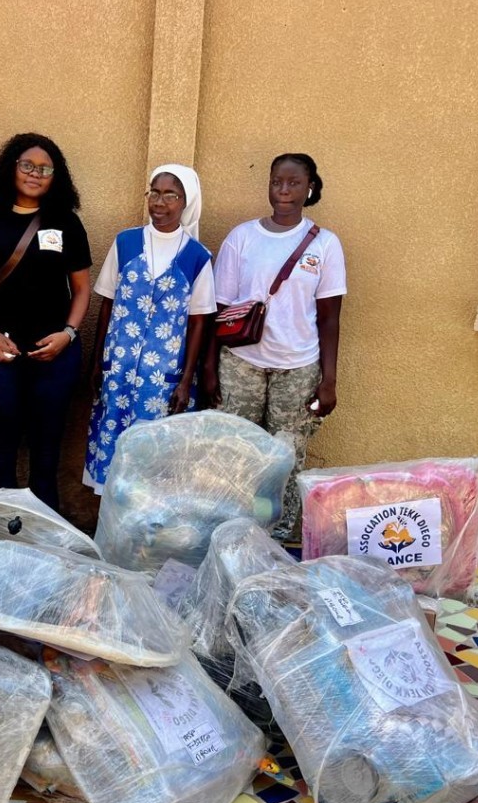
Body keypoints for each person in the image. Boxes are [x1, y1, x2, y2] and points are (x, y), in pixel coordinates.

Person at [205, 152, 346, 540]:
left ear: (310, 187)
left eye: (293, 183)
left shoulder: (325, 245)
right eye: (276, 182)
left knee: (286, 458)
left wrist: (329, 380)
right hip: (241, 363)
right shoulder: (242, 237)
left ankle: (275, 537)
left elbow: (330, 317)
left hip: (298, 368)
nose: (283, 190)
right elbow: (219, 310)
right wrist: (209, 368)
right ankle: (233, 534)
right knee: (239, 454)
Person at [0, 133, 92, 511]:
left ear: (56, 176)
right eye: (27, 165)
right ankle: (1, 532)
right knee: (1, 445)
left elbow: (82, 289)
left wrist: (68, 334)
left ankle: (43, 538)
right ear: (11, 167)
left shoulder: (65, 222)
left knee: (47, 450)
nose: (35, 174)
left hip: (56, 352)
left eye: (45, 169)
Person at [84, 164, 216, 494]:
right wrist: (98, 361)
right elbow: (108, 304)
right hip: (119, 370)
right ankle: (109, 529)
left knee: (157, 459)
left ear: (187, 201)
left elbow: (200, 321)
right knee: (113, 452)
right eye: (154, 192)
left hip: (163, 378)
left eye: (171, 195)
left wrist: (186, 381)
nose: (160, 202)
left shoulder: (197, 257)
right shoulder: (126, 243)